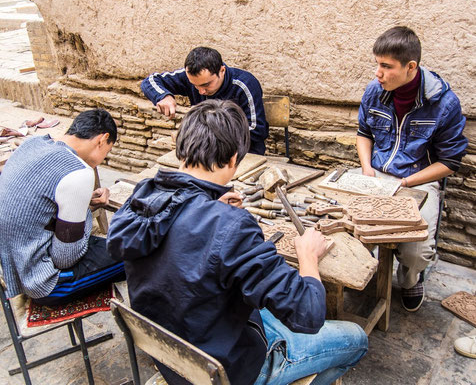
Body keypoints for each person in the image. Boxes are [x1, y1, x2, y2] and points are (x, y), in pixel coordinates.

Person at [107, 99, 367, 385]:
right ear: (233, 159)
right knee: (356, 339)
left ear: (180, 145)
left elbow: (178, 230)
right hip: (229, 369)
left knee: (261, 300)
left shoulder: (142, 196)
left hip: (174, 355)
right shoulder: (231, 226)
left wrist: (205, 205)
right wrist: (307, 256)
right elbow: (308, 314)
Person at [356, 26, 468, 312]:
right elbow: (363, 133)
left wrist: (406, 183)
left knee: (416, 250)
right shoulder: (374, 90)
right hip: (377, 174)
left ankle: (410, 278)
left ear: (411, 67)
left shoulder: (444, 104)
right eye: (377, 64)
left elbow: (449, 162)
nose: (377, 73)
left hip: (418, 180)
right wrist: (367, 169)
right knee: (351, 229)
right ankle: (364, 271)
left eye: (386, 66)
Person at [0, 109, 125, 306]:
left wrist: (82, 200)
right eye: (107, 151)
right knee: (138, 253)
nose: (103, 158)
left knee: (114, 245)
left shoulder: (33, 144)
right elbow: (65, 258)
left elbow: (38, 202)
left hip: (13, 266)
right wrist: (81, 206)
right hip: (43, 281)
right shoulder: (78, 172)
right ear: (102, 139)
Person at [141, 46, 269, 155]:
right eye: (195, 85)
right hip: (207, 151)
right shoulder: (191, 76)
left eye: (206, 85)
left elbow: (257, 130)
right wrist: (163, 96)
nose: (201, 92)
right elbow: (150, 81)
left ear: (222, 71)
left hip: (243, 152)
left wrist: (211, 135)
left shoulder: (245, 84)